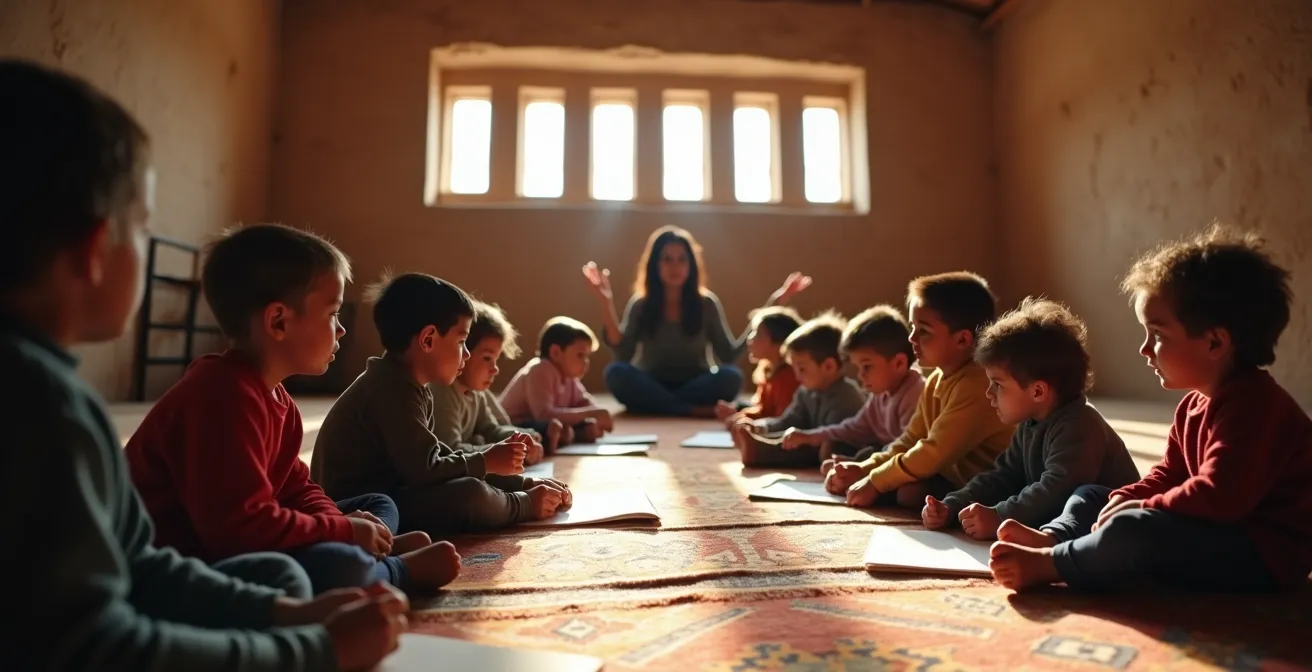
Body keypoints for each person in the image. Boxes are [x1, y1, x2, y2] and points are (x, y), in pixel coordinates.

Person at [2, 58, 406, 671]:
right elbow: (94, 647)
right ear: (94, 249)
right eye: (142, 228)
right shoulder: (42, 408)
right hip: (208, 546)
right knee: (299, 572)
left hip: (208, 557)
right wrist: (312, 651)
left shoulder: (53, 393)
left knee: (291, 578)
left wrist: (285, 615)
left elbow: (141, 564)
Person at [126, 225, 460, 596]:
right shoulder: (220, 398)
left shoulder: (278, 399)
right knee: (330, 568)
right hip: (187, 558)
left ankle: (375, 551)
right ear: (278, 322)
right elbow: (238, 531)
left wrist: (339, 523)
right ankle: (395, 570)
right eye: (332, 313)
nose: (341, 330)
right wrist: (342, 531)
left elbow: (296, 487)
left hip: (249, 532)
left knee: (377, 504)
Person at [989, 224, 1312, 593]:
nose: (1144, 349)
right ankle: (1056, 537)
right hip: (1215, 525)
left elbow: (1220, 496)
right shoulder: (1193, 405)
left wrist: (1147, 507)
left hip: (1262, 551)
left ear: (1215, 342)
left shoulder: (1254, 407)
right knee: (1093, 494)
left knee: (1135, 529)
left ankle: (1053, 563)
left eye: (1157, 335)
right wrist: (1130, 495)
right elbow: (1171, 472)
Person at [312, 273, 571, 535]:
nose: (466, 354)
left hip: (392, 489)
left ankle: (521, 496)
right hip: (360, 508)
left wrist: (522, 482)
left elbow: (441, 457)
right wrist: (496, 472)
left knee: (466, 481)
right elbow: (426, 470)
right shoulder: (390, 389)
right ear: (428, 340)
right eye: (461, 342)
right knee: (470, 494)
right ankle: (523, 506)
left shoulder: (408, 386)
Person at [922, 298, 1138, 541]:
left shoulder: (1080, 426)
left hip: (1118, 525)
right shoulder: (1030, 423)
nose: (989, 393)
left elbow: (1056, 490)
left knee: (1084, 498)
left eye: (997, 384)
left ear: (1037, 391)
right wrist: (953, 504)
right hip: (1061, 513)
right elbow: (1004, 477)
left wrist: (1000, 517)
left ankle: (1050, 541)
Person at [582, 225, 810, 417]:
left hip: (697, 383)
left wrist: (773, 304)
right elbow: (623, 354)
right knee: (616, 373)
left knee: (731, 377)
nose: (675, 267)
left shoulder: (706, 304)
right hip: (652, 381)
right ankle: (686, 409)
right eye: (667, 259)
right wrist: (605, 303)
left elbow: (728, 354)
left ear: (691, 265)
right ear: (654, 265)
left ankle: (663, 406)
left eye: (682, 260)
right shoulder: (641, 304)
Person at [498, 315, 613, 447]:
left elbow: (583, 401)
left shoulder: (569, 378)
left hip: (546, 421)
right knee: (551, 427)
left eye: (587, 356)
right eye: (580, 355)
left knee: (588, 428)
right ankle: (557, 436)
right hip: (515, 424)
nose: (586, 362)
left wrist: (597, 413)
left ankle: (563, 435)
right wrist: (592, 412)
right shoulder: (540, 370)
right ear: (556, 353)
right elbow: (543, 414)